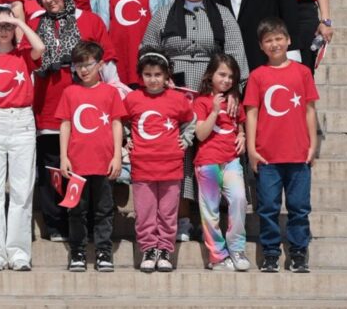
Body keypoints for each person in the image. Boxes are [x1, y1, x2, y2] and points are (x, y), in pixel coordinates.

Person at [142, 0, 249, 241]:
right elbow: (147, 52)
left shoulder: (222, 14)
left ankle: (212, 218)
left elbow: (236, 53)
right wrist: (158, 83)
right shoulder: (164, 14)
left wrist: (234, 89)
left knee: (209, 151)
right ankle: (180, 217)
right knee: (180, 151)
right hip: (174, 89)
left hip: (210, 90)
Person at [31, 0, 118, 243]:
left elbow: (108, 64)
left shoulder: (89, 21)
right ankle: (56, 225)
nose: (48, 0)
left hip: (86, 112)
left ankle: (90, 227)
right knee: (53, 171)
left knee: (88, 173)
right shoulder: (37, 23)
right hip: (48, 106)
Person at [0, 6, 45, 271]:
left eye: (7, 26)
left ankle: (19, 253)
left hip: (22, 123)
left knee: (22, 192)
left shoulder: (23, 56)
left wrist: (19, 23)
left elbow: (41, 48)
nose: (3, 32)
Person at [243, 18, 318, 274]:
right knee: (268, 208)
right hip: (267, 155)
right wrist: (252, 149)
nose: (274, 44)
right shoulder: (257, 76)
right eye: (268, 40)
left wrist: (313, 143)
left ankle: (298, 253)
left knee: (299, 207)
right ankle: (271, 253)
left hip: (298, 154)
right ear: (261, 46)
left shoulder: (302, 72)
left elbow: (309, 110)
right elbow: (251, 114)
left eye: (278, 39)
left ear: (288, 40)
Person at [56, 40, 125, 273]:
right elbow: (65, 125)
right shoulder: (70, 92)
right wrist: (63, 156)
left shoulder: (110, 92)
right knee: (77, 210)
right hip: (76, 162)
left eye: (88, 64)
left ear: (100, 65)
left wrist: (117, 156)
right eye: (78, 65)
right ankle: (78, 252)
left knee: (104, 208)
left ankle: (104, 251)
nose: (83, 70)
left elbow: (117, 124)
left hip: (104, 161)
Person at [124, 50, 196, 273]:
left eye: (157, 74)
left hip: (171, 166)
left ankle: (165, 249)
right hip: (142, 166)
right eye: (147, 74)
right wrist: (126, 139)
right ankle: (148, 249)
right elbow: (121, 121)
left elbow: (191, 120)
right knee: (145, 211)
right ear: (140, 76)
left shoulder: (177, 99)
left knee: (167, 211)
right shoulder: (132, 98)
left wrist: (186, 139)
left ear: (166, 76)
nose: (153, 79)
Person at [193, 52, 249, 271]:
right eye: (222, 74)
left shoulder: (235, 100)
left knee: (239, 199)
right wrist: (215, 111)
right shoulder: (201, 102)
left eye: (231, 76)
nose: (226, 80)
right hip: (207, 162)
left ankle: (236, 248)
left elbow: (240, 125)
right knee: (210, 210)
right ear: (211, 75)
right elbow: (200, 134)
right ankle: (217, 255)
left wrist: (242, 135)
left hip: (231, 160)